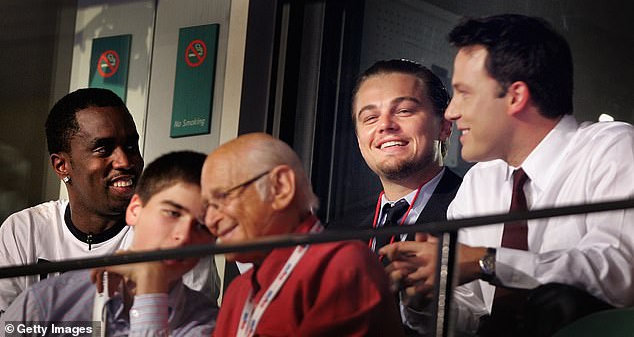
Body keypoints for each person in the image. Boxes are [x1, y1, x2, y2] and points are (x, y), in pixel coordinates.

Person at [380, 14, 634, 336]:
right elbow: (468, 315)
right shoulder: (479, 182)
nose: (451, 112)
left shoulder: (611, 148)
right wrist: (420, 296)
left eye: (464, 93)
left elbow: (621, 273)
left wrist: (486, 262)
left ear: (515, 96)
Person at [0, 88, 218, 314]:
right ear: (61, 166)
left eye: (131, 146)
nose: (124, 161)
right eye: (103, 149)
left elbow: (187, 324)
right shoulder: (23, 230)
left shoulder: (176, 235)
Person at [202, 133, 404, 337]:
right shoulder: (238, 290)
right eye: (207, 207)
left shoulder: (340, 266)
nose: (211, 220)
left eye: (223, 197)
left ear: (280, 187)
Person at [0, 151, 218, 336]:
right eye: (172, 213)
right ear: (135, 210)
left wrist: (151, 289)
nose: (184, 236)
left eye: (202, 226)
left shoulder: (209, 322)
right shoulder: (47, 302)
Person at [328, 59, 462, 334]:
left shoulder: (476, 213)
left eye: (403, 110)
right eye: (370, 117)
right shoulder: (337, 232)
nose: (385, 125)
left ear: (445, 126)